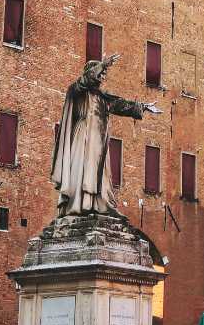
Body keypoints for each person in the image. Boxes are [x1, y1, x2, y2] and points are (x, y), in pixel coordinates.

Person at [50, 55, 161, 216]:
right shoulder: (76, 90)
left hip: (99, 142)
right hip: (82, 137)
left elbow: (122, 105)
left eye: (104, 74)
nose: (103, 77)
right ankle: (80, 205)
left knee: (99, 174)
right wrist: (103, 64)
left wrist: (143, 107)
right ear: (91, 73)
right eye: (100, 73)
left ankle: (96, 205)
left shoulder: (103, 98)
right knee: (81, 171)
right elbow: (84, 81)